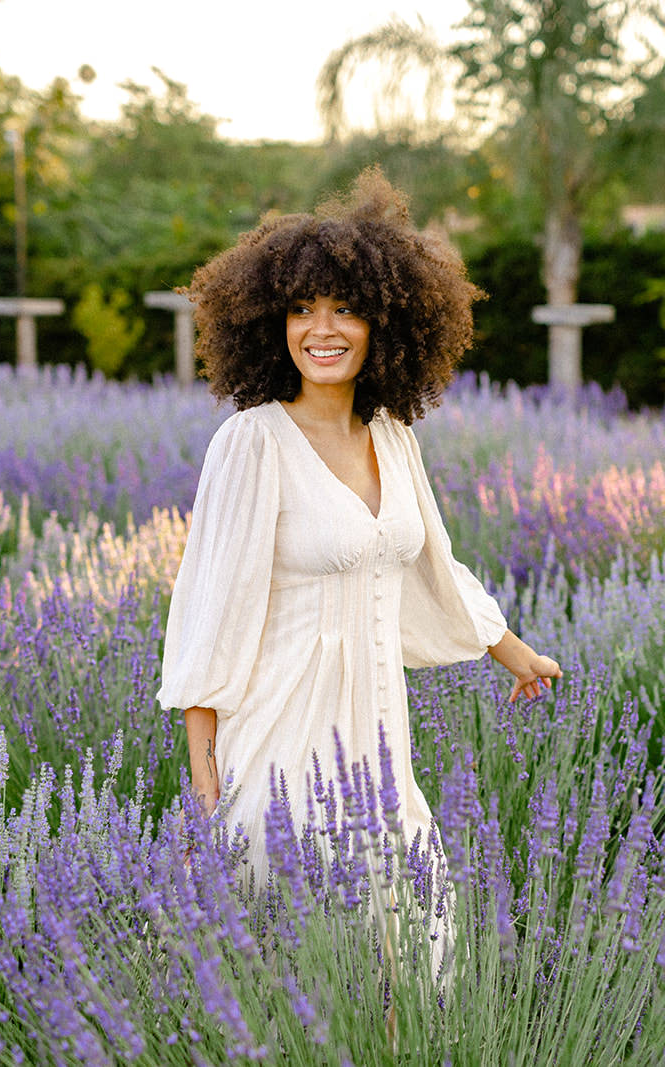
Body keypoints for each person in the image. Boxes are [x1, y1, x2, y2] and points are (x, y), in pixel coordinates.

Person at [157, 168, 561, 886]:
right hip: (282, 746)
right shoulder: (254, 442)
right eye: (301, 309)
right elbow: (207, 617)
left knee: (408, 946)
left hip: (380, 744)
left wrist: (517, 654)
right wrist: (205, 800)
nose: (322, 329)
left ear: (384, 322)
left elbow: (431, 566)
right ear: (270, 324)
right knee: (293, 967)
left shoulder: (394, 436)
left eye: (345, 308)